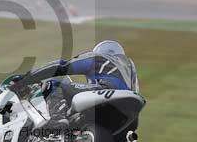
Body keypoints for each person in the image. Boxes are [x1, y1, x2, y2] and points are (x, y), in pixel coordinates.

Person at [10, 40, 138, 128]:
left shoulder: (99, 57)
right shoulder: (129, 67)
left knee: (55, 85)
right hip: (131, 114)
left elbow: (62, 66)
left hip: (107, 90)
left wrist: (26, 79)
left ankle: (57, 118)